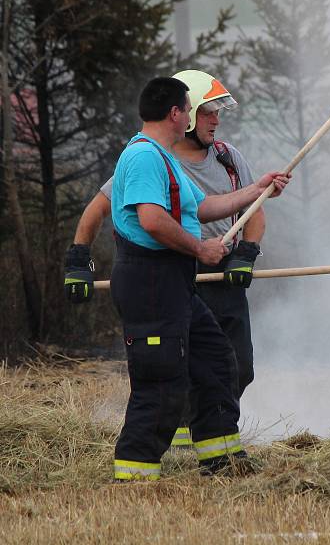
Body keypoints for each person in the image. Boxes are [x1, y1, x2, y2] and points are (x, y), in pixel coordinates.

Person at [80, 76, 288, 480]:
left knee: (216, 360)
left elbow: (205, 207)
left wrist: (256, 191)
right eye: (198, 110)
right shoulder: (142, 157)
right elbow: (152, 220)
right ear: (178, 113)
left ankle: (222, 459)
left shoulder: (164, 157)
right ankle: (136, 478)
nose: (209, 118)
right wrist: (200, 250)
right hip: (150, 281)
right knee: (161, 382)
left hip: (174, 283)